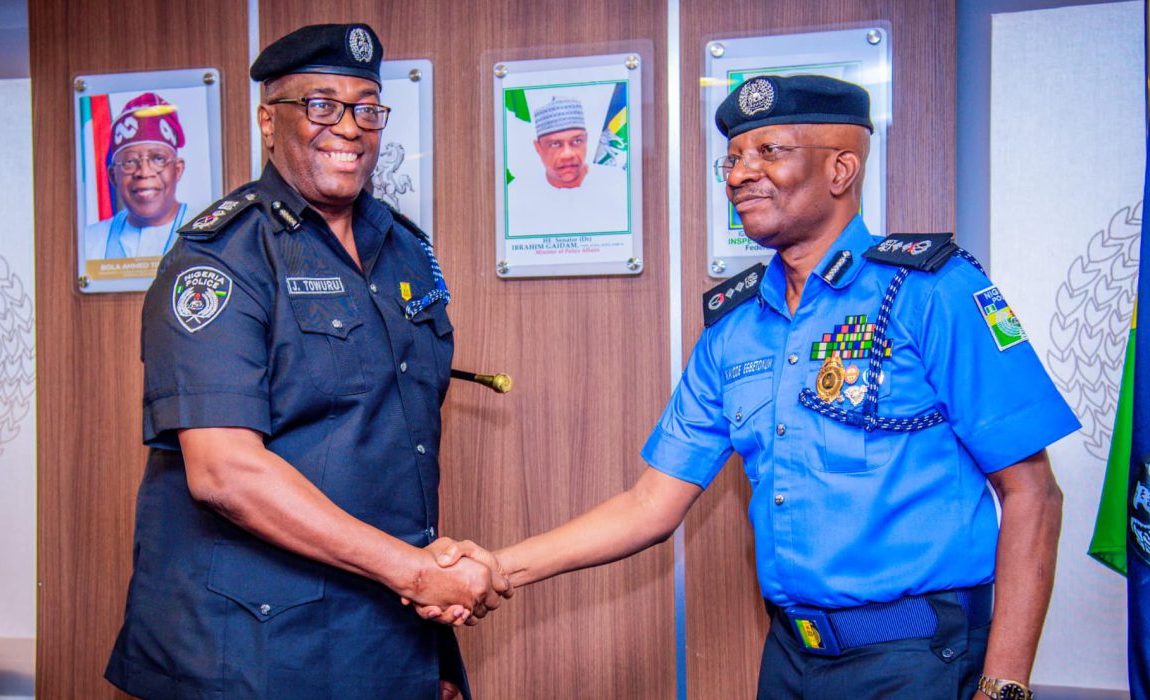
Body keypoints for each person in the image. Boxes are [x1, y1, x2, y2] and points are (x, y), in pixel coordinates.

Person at [426, 75, 1077, 700]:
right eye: (734, 157)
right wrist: (500, 566)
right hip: (791, 660)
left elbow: (1032, 495)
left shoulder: (931, 293)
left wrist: (1005, 686)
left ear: (840, 170)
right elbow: (650, 503)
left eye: (769, 151)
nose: (740, 174)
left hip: (917, 663)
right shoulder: (732, 333)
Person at [104, 23, 508, 700]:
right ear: (269, 120)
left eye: (365, 108)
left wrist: (427, 649)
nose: (348, 127)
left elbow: (392, 448)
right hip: (251, 654)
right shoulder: (219, 258)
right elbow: (225, 473)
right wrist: (414, 575)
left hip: (382, 633)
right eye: (320, 104)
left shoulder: (404, 249)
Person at [83, 92, 188, 260]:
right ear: (112, 176)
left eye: (158, 159)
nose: (144, 172)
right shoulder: (88, 242)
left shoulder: (206, 232)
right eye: (130, 161)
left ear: (177, 170)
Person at [505, 95, 628, 237]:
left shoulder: (618, 183)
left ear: (586, 140)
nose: (567, 154)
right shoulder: (516, 194)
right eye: (555, 144)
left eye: (576, 141)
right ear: (538, 148)